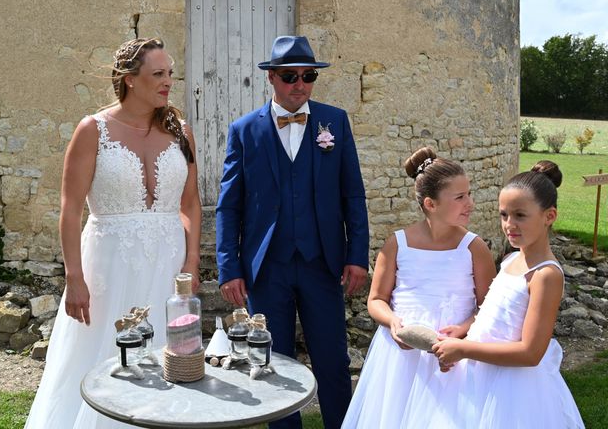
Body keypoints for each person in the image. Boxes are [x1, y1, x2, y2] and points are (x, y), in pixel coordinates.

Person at [25, 38, 201, 429]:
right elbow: (70, 211)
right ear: (129, 79)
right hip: (108, 267)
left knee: (167, 358)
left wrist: (190, 263)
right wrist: (74, 278)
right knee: (101, 357)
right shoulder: (93, 130)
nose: (168, 81)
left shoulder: (180, 131)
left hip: (168, 266)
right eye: (158, 74)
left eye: (170, 73)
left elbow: (190, 204)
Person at [216, 35, 370, 428]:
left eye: (308, 76)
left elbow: (353, 194)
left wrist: (356, 256)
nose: (300, 84)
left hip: (322, 263)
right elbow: (229, 206)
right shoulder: (244, 130)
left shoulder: (333, 121)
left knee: (333, 360)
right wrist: (228, 267)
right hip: (267, 268)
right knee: (272, 362)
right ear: (272, 79)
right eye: (290, 76)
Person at [341, 147, 497, 429]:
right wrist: (393, 322)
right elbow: (376, 299)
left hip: (452, 354)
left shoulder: (474, 247)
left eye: (469, 193)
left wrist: (463, 328)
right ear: (431, 204)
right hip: (401, 355)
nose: (470, 203)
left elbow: (488, 306)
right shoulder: (397, 244)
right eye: (460, 197)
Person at [425, 161, 585, 428]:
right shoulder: (510, 260)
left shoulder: (545, 275)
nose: (509, 224)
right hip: (479, 373)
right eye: (503, 215)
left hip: (513, 388)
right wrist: (464, 329)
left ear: (549, 216)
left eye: (520, 215)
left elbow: (530, 353)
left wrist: (464, 349)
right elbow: (495, 313)